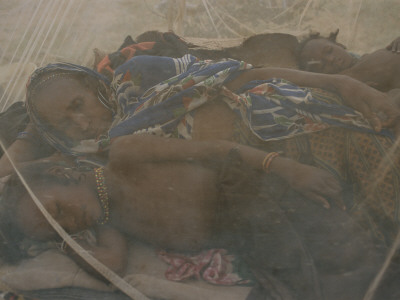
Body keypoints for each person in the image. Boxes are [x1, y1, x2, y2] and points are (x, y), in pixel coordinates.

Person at [0, 56, 400, 240]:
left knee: (383, 162)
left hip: (289, 112)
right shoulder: (95, 156)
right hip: (284, 168)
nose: (81, 123)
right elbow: (13, 164)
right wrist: (35, 128)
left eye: (77, 105)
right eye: (64, 123)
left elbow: (244, 74)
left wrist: (345, 84)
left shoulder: (136, 74)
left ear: (92, 85)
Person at [0, 134, 385, 300]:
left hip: (256, 197)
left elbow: (217, 150)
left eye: (58, 211)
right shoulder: (107, 225)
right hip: (247, 238)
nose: (70, 223)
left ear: (62, 174)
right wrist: (67, 244)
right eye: (59, 231)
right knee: (308, 288)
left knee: (352, 265)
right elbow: (110, 266)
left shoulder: (124, 155)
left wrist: (284, 167)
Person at [297, 29, 400, 92]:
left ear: (339, 45)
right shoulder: (346, 83)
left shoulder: (365, 58)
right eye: (322, 66)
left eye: (329, 51)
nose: (331, 59)